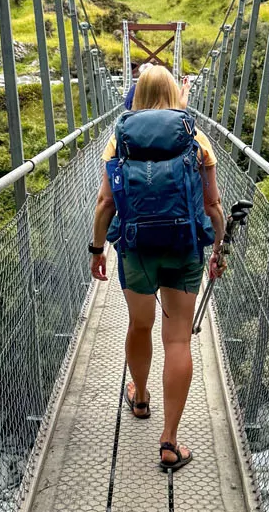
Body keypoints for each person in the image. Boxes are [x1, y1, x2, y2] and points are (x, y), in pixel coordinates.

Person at [88, 64, 225, 473]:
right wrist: (218, 250)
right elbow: (212, 206)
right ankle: (169, 442)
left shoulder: (118, 140)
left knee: (140, 325)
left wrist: (97, 249)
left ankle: (141, 396)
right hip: (185, 246)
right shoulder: (196, 139)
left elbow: (105, 205)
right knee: (179, 341)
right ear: (174, 94)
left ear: (138, 94)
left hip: (136, 247)